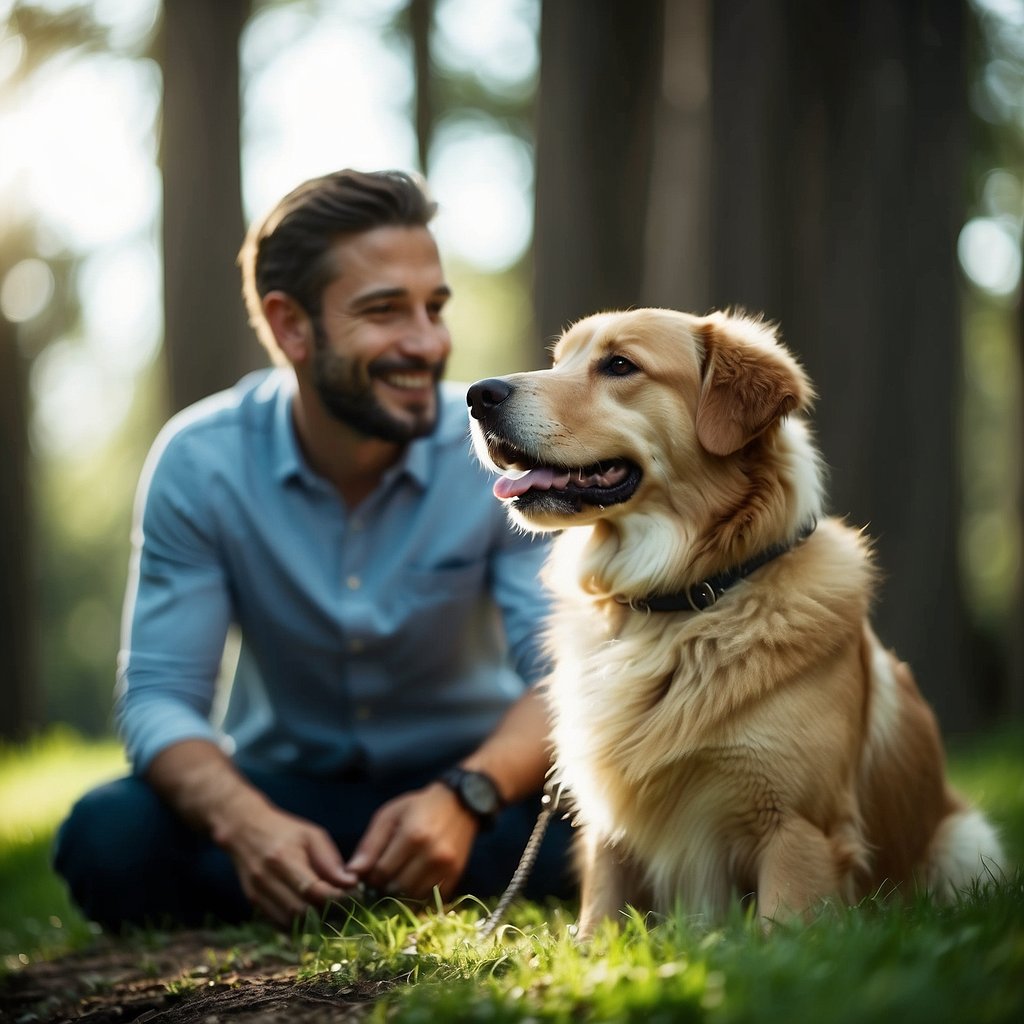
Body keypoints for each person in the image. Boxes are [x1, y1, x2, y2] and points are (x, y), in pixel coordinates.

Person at [54, 168, 573, 930]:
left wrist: (468, 794)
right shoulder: (200, 463)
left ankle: (350, 888)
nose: (427, 343)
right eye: (385, 312)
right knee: (109, 838)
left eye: (434, 308)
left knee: (601, 823)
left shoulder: (493, 456)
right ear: (291, 326)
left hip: (478, 784)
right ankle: (302, 877)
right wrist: (243, 822)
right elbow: (160, 699)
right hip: (282, 794)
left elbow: (562, 670)